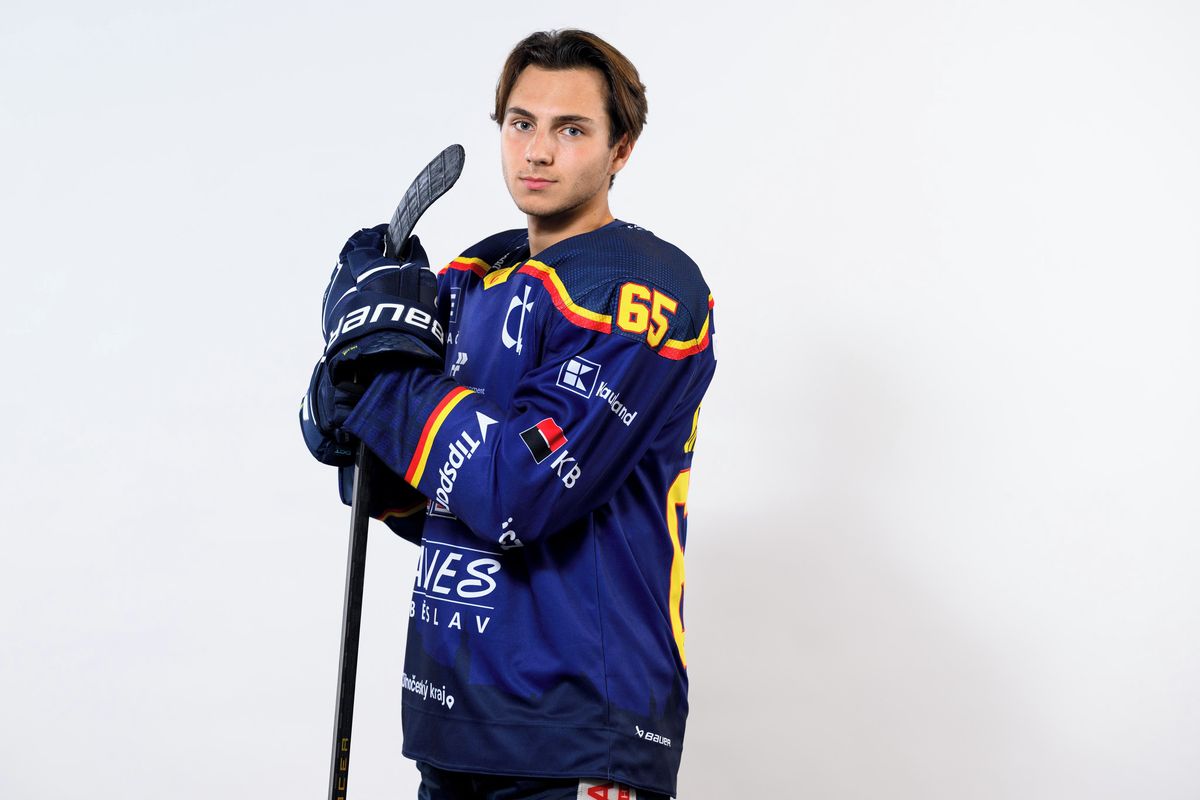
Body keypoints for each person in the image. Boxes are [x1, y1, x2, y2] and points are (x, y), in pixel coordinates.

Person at [301, 28, 717, 800]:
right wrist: (346, 386)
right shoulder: (474, 275)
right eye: (522, 123)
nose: (538, 151)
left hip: (577, 730)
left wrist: (382, 382)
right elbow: (419, 499)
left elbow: (516, 493)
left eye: (572, 129)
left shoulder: (643, 288)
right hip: (455, 722)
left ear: (621, 149)